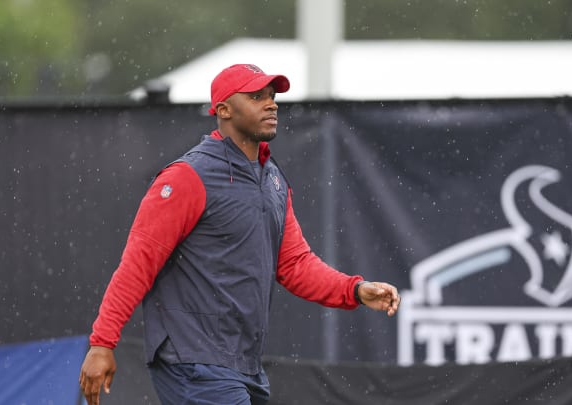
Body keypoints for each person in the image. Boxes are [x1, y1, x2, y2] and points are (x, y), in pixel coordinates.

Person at [78, 63, 401, 405]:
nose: (271, 104)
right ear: (223, 110)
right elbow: (137, 263)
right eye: (257, 96)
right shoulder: (187, 177)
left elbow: (294, 263)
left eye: (273, 96)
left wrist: (354, 289)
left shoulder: (273, 179)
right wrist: (102, 343)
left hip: (243, 364)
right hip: (191, 359)